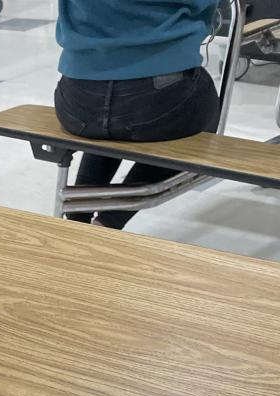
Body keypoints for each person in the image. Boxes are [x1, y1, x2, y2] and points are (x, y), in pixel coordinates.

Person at [55, 1, 221, 229]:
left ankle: (78, 217)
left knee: (109, 127)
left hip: (77, 99)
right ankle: (110, 221)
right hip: (157, 94)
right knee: (201, 117)